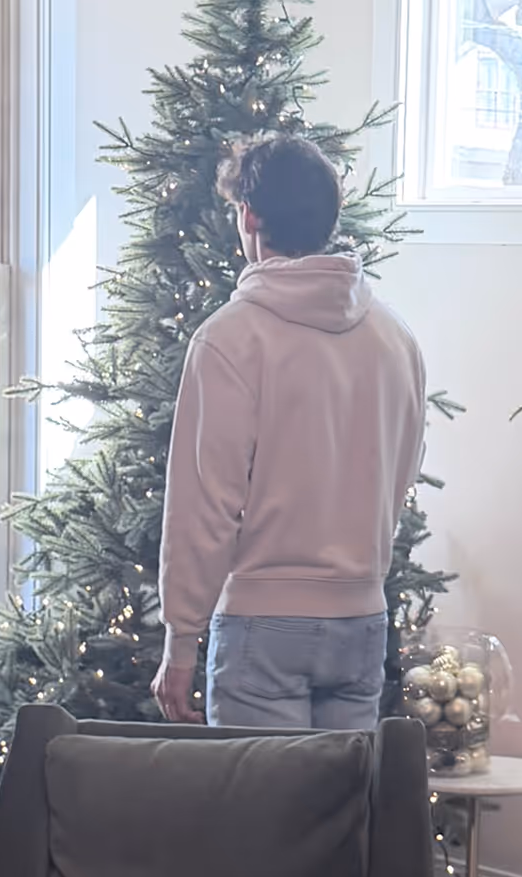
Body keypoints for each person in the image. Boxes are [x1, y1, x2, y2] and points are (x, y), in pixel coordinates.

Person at [151, 134, 427, 731]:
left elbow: (204, 502)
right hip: (362, 617)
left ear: (249, 216)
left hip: (262, 621)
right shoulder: (394, 337)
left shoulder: (230, 337)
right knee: (343, 794)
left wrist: (180, 641)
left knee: (261, 796)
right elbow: (403, 472)